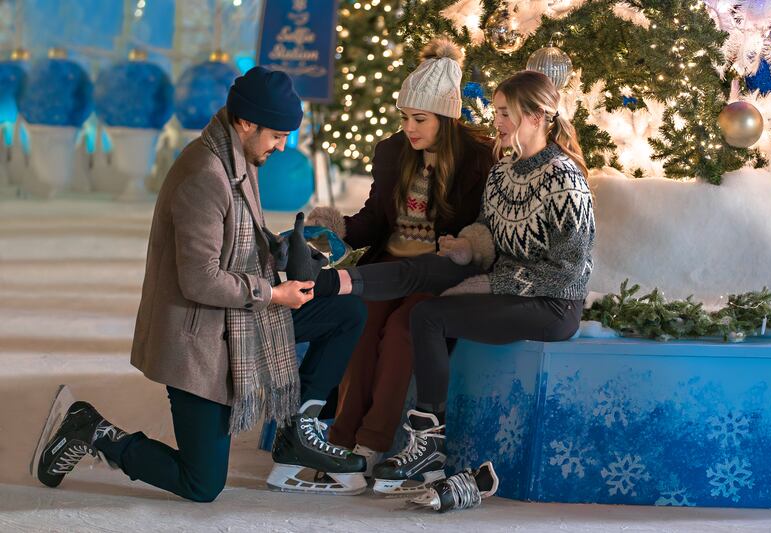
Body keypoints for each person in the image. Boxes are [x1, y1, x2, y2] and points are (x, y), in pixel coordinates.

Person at [32, 67, 369, 501]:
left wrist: (281, 250)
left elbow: (239, 236)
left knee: (347, 311)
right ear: (247, 122)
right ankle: (90, 429)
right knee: (202, 483)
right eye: (278, 135)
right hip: (199, 338)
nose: (283, 146)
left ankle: (297, 430)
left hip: (238, 321)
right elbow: (199, 279)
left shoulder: (240, 156)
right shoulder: (204, 175)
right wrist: (273, 293)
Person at [314, 70, 595, 494]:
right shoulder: (504, 170)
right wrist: (467, 247)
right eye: (497, 110)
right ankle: (339, 285)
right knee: (404, 310)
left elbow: (570, 273)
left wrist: (490, 281)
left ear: (537, 116)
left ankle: (402, 444)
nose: (495, 120)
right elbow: (485, 229)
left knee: (418, 318)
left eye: (504, 113)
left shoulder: (564, 179)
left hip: (551, 302)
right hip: (491, 277)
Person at [304, 38, 495, 490]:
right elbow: (374, 220)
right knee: (360, 323)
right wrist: (340, 230)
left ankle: (370, 447)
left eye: (419, 119)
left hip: (439, 272)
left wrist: (463, 247)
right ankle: (340, 442)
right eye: (404, 118)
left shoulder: (479, 158)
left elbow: (484, 227)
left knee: (402, 334)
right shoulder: (393, 152)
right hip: (389, 264)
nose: (409, 128)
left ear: (446, 117)